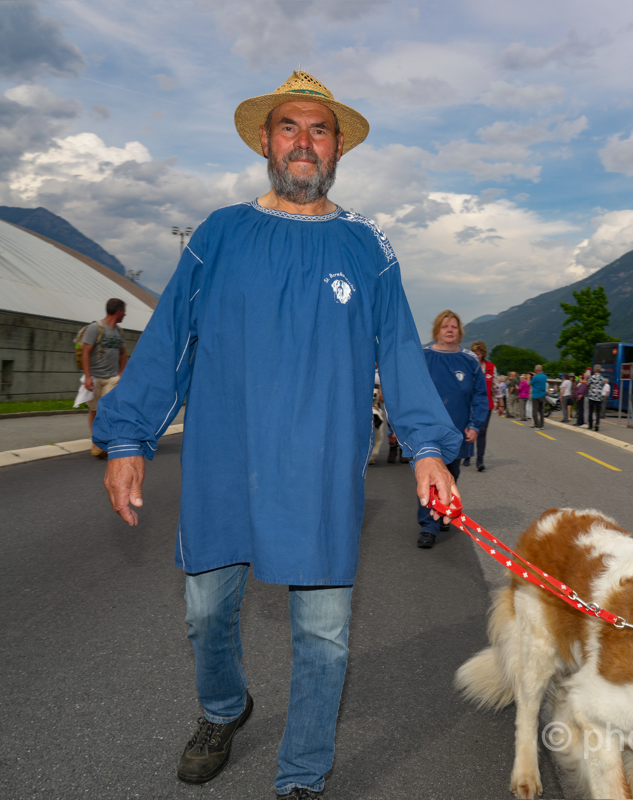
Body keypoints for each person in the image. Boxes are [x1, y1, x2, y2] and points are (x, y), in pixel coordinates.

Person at [92, 71, 462, 800]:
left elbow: (400, 352)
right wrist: (130, 438)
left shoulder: (368, 248)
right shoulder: (220, 235)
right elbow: (169, 340)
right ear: (266, 141)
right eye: (289, 127)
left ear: (338, 149)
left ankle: (301, 777)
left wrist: (425, 449)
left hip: (321, 469)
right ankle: (225, 709)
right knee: (205, 610)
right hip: (224, 463)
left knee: (323, 636)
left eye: (318, 130)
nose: (303, 141)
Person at [417, 313, 487, 543]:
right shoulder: (424, 356)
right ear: (437, 330)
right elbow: (411, 393)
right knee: (430, 477)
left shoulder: (469, 360)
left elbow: (480, 396)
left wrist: (474, 425)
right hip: (429, 432)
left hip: (457, 433)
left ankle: (442, 512)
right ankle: (428, 526)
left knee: (451, 475)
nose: (450, 330)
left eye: (454, 326)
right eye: (445, 326)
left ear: (460, 331)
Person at [81, 298, 128, 458]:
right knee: (94, 410)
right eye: (124, 311)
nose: (125, 314)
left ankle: (104, 441)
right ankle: (96, 442)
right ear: (118, 312)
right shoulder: (96, 327)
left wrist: (121, 373)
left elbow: (122, 353)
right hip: (95, 377)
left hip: (111, 379)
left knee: (107, 410)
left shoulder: (119, 331)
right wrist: (87, 377)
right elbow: (85, 352)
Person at [467, 340, 496, 471]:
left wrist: (500, 402)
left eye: (478, 354)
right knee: (468, 430)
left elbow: (495, 387)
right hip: (469, 404)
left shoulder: (491, 367)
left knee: (482, 432)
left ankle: (480, 461)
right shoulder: (467, 366)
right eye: (473, 353)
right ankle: (467, 454)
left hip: (486, 405)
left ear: (483, 354)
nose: (476, 356)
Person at [586, 364, 608, 431]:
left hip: (591, 396)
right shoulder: (602, 378)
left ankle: (590, 425)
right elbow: (603, 385)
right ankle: (597, 423)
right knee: (598, 411)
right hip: (599, 397)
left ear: (594, 370)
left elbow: (588, 384)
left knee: (591, 411)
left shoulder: (592, 377)